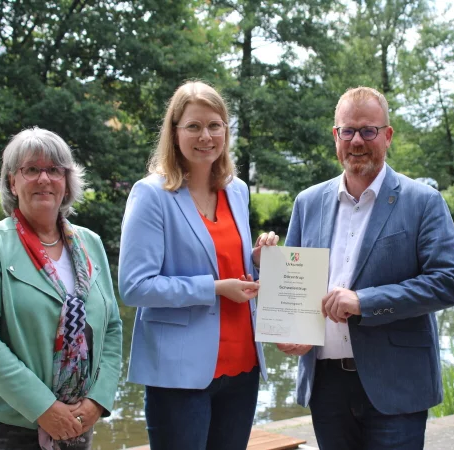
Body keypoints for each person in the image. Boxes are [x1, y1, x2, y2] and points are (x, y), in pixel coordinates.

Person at [277, 86, 454, 449]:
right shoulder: (307, 202)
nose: (357, 141)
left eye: (368, 130)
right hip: (326, 385)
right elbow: (294, 283)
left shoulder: (424, 202)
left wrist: (364, 301)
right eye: (347, 131)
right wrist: (290, 327)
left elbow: (449, 282)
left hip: (396, 383)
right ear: (335, 136)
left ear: (388, 135)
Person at [118, 80, 278, 450]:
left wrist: (257, 262)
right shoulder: (151, 195)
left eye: (214, 125)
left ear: (225, 131)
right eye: (193, 126)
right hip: (180, 373)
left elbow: (235, 269)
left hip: (242, 365)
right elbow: (135, 287)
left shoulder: (237, 190)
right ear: (174, 133)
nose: (205, 136)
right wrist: (215, 289)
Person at [0, 127, 123, 450]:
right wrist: (44, 408)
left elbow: (112, 327)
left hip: (77, 420)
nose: (44, 179)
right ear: (12, 182)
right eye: (31, 169)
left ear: (66, 182)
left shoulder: (91, 244)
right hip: (3, 423)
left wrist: (98, 400)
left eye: (54, 170)